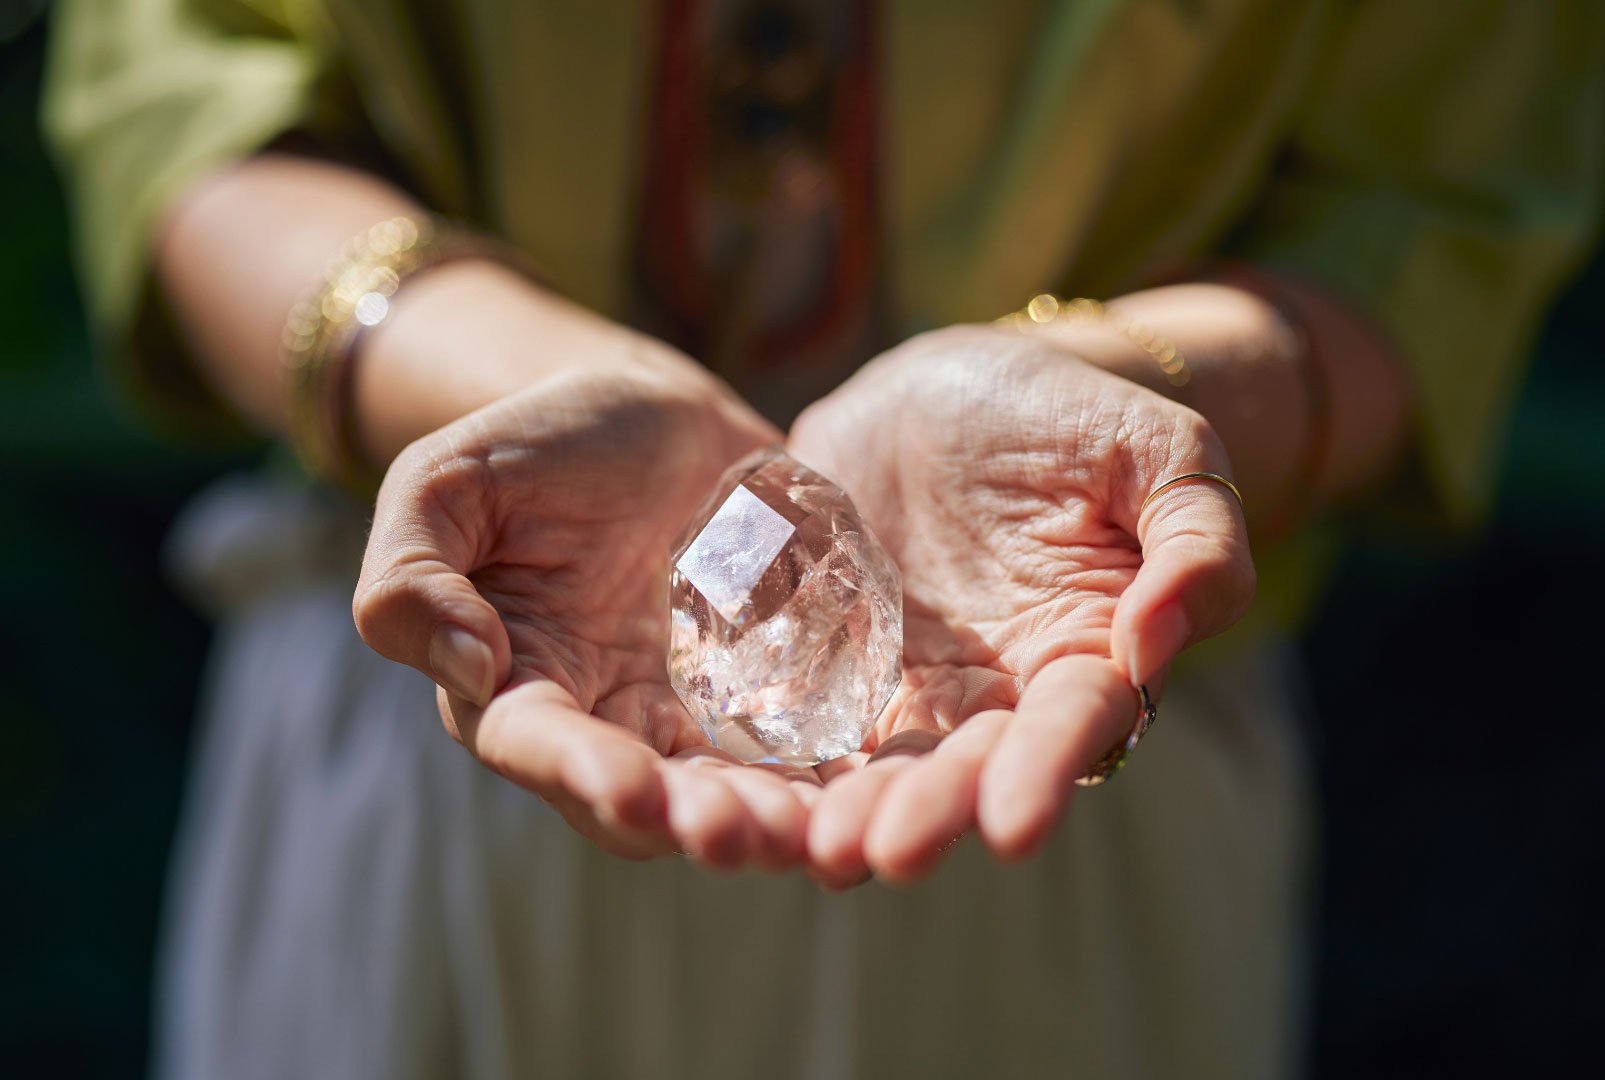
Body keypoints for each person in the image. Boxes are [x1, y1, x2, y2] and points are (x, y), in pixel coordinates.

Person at [44, 1, 1600, 1076]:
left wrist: (1122, 393)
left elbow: (1436, 204)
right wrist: (501, 387)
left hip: (1054, 715)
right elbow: (184, 99)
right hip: (456, 703)